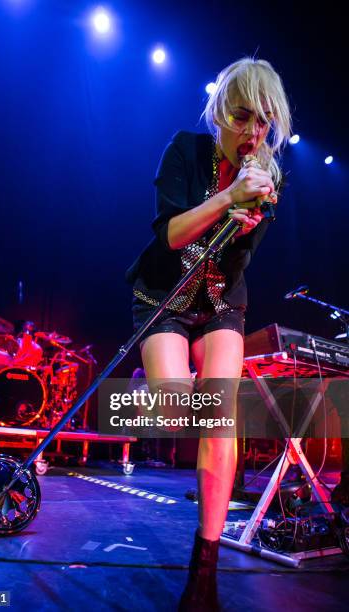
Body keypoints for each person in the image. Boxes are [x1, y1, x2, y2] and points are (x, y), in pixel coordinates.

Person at [125, 57, 291, 610]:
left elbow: (239, 261)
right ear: (221, 110)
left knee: (220, 419)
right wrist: (226, 201)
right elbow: (172, 235)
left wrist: (251, 217)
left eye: (264, 122)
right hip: (165, 297)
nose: (253, 132)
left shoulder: (269, 176)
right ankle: (154, 385)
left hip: (221, 304)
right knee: (175, 412)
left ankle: (205, 571)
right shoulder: (185, 151)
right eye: (243, 116)